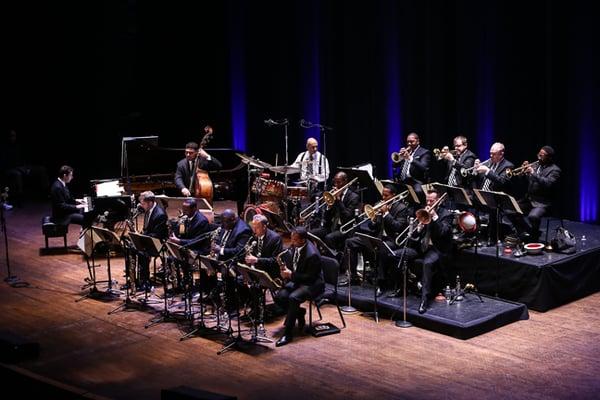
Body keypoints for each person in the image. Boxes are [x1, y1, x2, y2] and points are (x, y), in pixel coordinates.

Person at [387, 189, 453, 314]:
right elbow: (415, 236)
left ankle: (425, 300)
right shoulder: (423, 211)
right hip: (421, 247)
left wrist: (434, 217)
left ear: (439, 200)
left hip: (436, 249)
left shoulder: (446, 214)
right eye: (427, 200)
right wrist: (418, 228)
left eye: (432, 200)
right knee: (394, 255)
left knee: (427, 264)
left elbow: (442, 233)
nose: (428, 202)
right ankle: (402, 287)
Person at [341, 184, 409, 290]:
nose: (383, 198)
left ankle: (381, 283)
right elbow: (372, 227)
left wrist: (386, 213)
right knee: (350, 242)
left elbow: (398, 227)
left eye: (386, 196)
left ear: (394, 196)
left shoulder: (401, 208)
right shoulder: (379, 204)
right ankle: (352, 276)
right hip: (377, 237)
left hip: (392, 239)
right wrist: (373, 220)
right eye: (383, 195)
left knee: (382, 250)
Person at [274, 226, 324, 347]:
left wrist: (291, 275)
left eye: (295, 240)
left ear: (303, 240)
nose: (292, 242)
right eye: (291, 238)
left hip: (312, 284)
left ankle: (288, 333)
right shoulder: (294, 247)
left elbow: (310, 278)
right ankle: (299, 312)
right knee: (279, 296)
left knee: (293, 298)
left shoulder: (312, 255)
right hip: (298, 279)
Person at [507, 146, 561, 241]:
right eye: (538, 154)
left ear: (549, 157)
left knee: (533, 216)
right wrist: (523, 173)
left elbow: (548, 184)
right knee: (509, 210)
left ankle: (534, 236)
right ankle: (529, 231)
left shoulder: (555, 170)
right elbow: (523, 181)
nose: (539, 157)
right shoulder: (535, 166)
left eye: (542, 155)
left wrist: (533, 173)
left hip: (543, 203)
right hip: (529, 199)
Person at [309, 171, 360, 252]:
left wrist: (339, 201)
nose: (336, 185)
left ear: (345, 181)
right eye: (335, 182)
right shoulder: (333, 194)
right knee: (310, 234)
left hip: (344, 228)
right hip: (332, 226)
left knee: (329, 238)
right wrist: (328, 207)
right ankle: (317, 255)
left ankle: (335, 258)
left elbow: (347, 216)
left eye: (338, 182)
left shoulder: (353, 197)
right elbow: (326, 218)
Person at [1, 129, 49, 207]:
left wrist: (27, 167)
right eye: (11, 136)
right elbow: (7, 164)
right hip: (11, 169)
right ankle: (19, 199)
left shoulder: (18, 146)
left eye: (14, 136)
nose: (13, 138)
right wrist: (22, 169)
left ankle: (46, 193)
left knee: (41, 169)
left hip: (23, 167)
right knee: (17, 175)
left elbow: (24, 159)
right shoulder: (4, 148)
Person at [137, 191, 168, 291]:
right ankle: (135, 280)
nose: (141, 206)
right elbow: (147, 229)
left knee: (142, 252)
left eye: (143, 203)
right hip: (149, 239)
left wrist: (142, 237)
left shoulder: (160, 214)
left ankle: (145, 281)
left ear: (150, 202)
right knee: (131, 248)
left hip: (159, 243)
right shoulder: (148, 210)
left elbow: (157, 235)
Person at [244, 214, 284, 281]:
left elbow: (275, 260)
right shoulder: (253, 236)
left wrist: (257, 260)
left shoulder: (275, 238)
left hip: (269, 271)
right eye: (253, 227)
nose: (254, 230)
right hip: (256, 269)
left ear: (264, 227)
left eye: (257, 228)